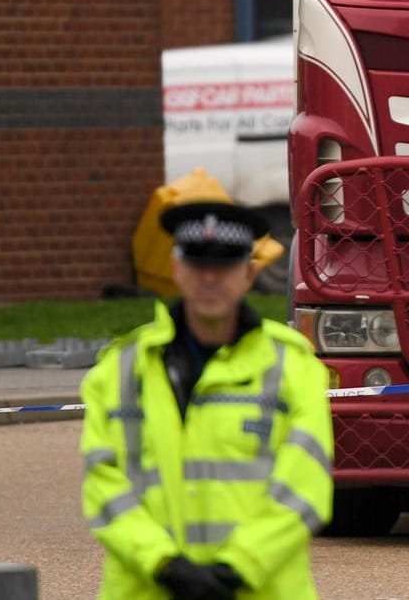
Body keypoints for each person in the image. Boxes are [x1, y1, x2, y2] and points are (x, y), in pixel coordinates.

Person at [80, 201, 333, 600]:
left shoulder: (292, 369)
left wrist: (238, 568)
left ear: (250, 273)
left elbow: (304, 488)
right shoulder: (121, 370)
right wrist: (164, 564)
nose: (210, 278)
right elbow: (104, 484)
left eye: (227, 264)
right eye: (198, 263)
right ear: (176, 268)